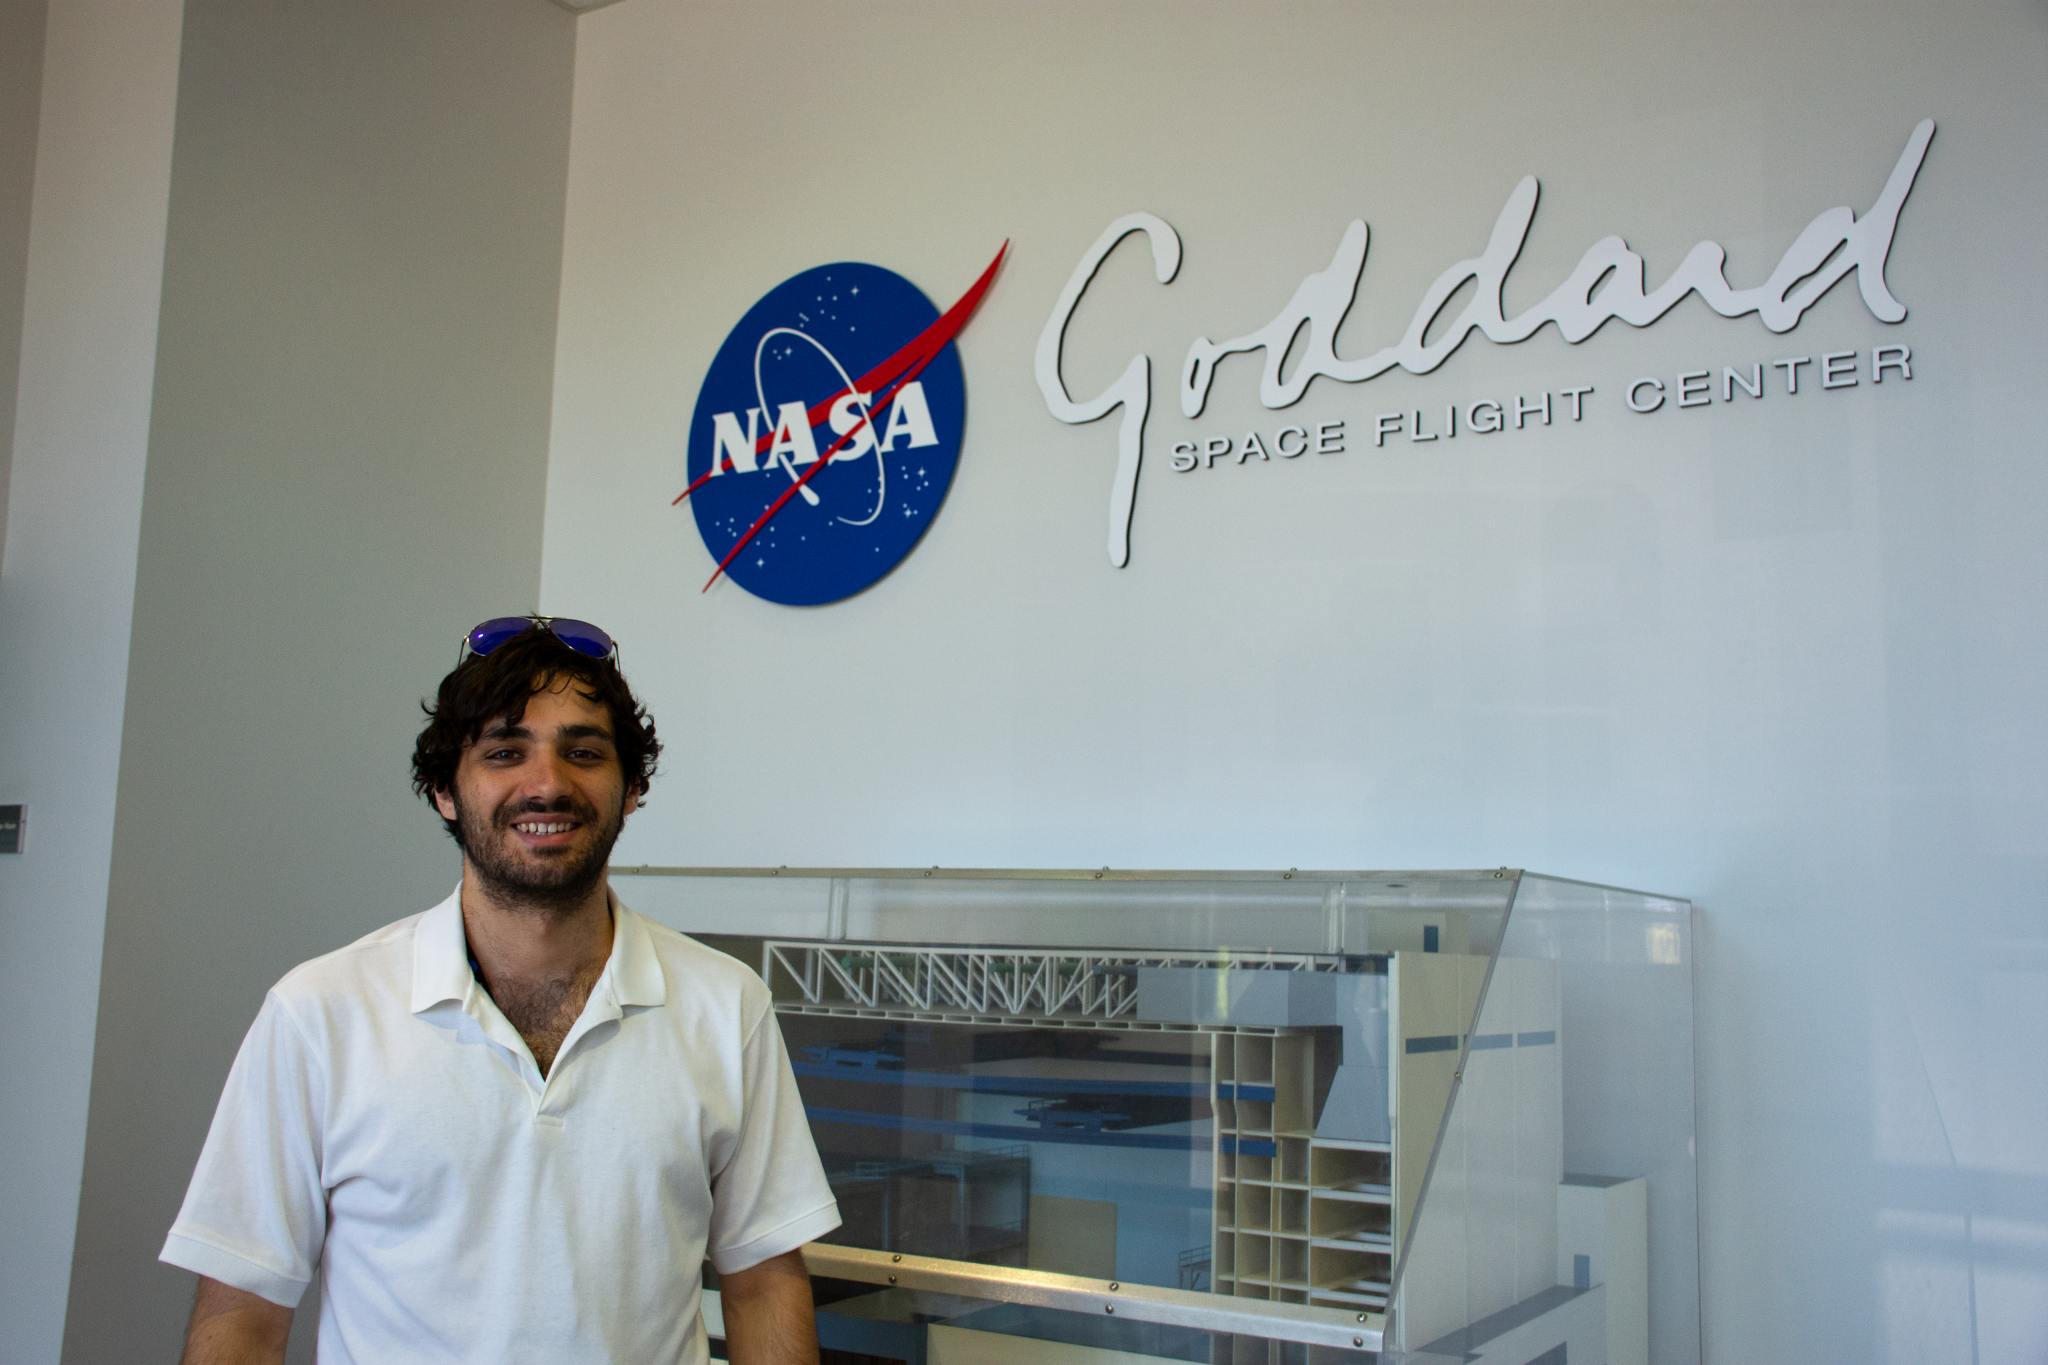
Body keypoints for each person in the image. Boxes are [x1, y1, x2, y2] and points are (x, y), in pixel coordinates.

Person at [161, 617, 839, 1364]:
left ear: (633, 789)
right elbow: (245, 1315)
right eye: (505, 751)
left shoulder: (725, 1006)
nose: (547, 782)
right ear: (445, 791)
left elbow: (761, 1283)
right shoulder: (320, 1012)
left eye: (583, 751)